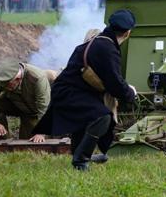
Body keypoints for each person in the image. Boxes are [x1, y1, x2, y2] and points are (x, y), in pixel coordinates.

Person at [33, 10, 137, 171]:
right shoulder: (107, 48)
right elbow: (115, 84)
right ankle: (81, 160)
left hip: (68, 90)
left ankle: (80, 154)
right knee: (102, 117)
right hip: (69, 93)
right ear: (128, 32)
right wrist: (131, 94)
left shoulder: (98, 42)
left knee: (87, 118)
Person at [0, 60, 51, 140]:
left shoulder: (37, 78)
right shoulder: (4, 80)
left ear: (17, 79)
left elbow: (44, 107)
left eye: (8, 85)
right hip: (17, 105)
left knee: (29, 144)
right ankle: (3, 140)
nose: (4, 87)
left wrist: (41, 132)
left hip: (35, 112)